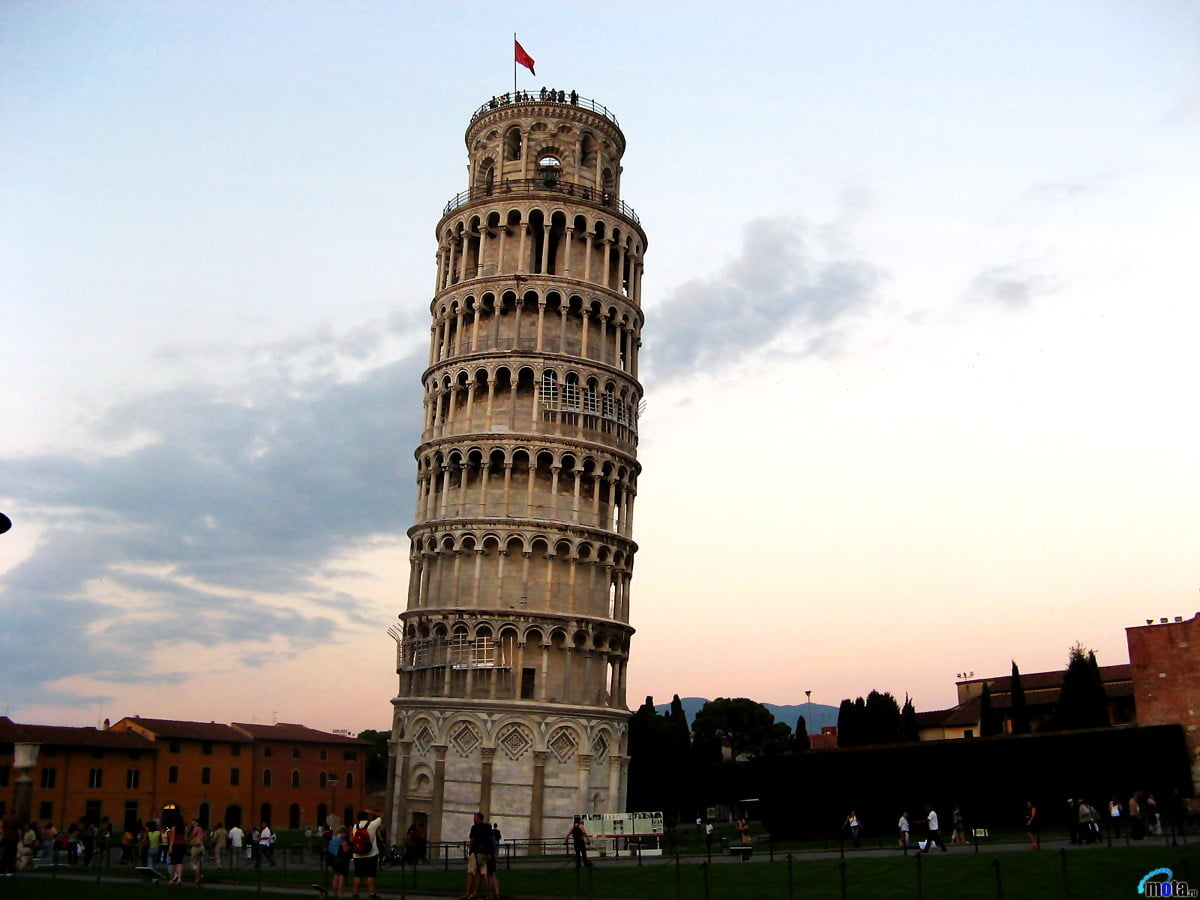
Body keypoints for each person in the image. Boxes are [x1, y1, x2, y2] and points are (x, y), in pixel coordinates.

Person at [350, 808, 383, 900]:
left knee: (358, 875)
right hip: (371, 854)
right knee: (370, 875)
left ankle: (355, 893)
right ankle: (372, 893)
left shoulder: (355, 827)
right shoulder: (371, 825)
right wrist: (372, 812)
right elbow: (382, 816)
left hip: (357, 855)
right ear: (367, 817)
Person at [465, 811, 493, 898]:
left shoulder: (474, 827)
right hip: (485, 852)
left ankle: (468, 893)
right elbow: (490, 839)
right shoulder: (487, 827)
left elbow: (472, 840)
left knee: (471, 872)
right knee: (483, 874)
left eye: (474, 817)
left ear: (478, 818)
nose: (473, 819)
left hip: (475, 852)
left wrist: (469, 851)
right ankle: (483, 893)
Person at [327, 826, 351, 898]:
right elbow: (345, 850)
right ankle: (341, 893)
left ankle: (334, 893)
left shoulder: (332, 839)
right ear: (343, 833)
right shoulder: (342, 841)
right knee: (341, 877)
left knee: (335, 876)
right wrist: (350, 846)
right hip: (342, 860)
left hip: (334, 860)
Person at [1, 810, 19, 876]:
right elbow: (19, 828)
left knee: (5, 855)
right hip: (13, 838)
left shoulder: (5, 818)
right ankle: (10, 870)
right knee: (12, 855)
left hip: (6, 838)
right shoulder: (15, 819)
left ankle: (2, 870)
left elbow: (3, 828)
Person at [487, 820, 502, 900]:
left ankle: (491, 894)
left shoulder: (489, 835)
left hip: (489, 857)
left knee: (489, 875)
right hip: (494, 851)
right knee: (492, 875)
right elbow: (499, 837)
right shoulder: (496, 832)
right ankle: (496, 893)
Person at [188, 818, 205, 883]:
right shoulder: (201, 830)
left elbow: (192, 836)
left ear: (197, 823)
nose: (193, 825)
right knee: (198, 863)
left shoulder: (196, 828)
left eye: (194, 823)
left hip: (195, 846)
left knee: (192, 863)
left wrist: (190, 838)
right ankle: (197, 878)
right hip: (201, 846)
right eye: (192, 824)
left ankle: (199, 874)